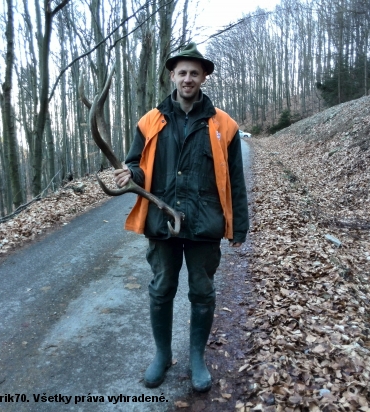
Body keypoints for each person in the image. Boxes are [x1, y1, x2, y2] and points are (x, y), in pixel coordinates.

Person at [113, 42, 249, 392]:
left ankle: (197, 358)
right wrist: (131, 175)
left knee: (202, 292)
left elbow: (235, 179)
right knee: (161, 289)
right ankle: (162, 355)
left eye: (194, 72)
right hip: (162, 221)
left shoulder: (224, 125)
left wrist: (239, 226)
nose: (188, 78)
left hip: (205, 224)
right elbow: (136, 164)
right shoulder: (150, 121)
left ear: (203, 77)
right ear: (172, 76)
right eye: (182, 72)